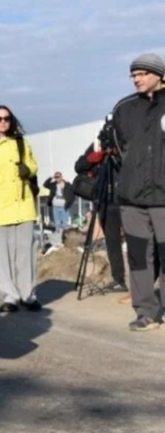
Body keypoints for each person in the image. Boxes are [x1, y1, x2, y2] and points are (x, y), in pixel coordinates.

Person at [111, 53, 165, 331]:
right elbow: (119, 147)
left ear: (159, 74)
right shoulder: (124, 108)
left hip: (163, 197)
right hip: (132, 198)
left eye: (142, 73)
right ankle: (146, 312)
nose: (137, 79)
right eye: (133, 75)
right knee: (139, 256)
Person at [0, 105, 41, 314]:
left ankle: (28, 294)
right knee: (1, 255)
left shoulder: (22, 142)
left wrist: (27, 169)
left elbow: (34, 165)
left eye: (6, 118)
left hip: (23, 205)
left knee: (26, 253)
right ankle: (10, 296)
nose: (2, 122)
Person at [75, 141, 127, 292]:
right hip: (106, 201)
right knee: (112, 243)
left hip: (128, 200)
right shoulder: (99, 144)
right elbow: (79, 166)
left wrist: (120, 156)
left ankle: (144, 283)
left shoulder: (128, 140)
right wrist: (91, 159)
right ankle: (119, 280)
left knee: (137, 242)